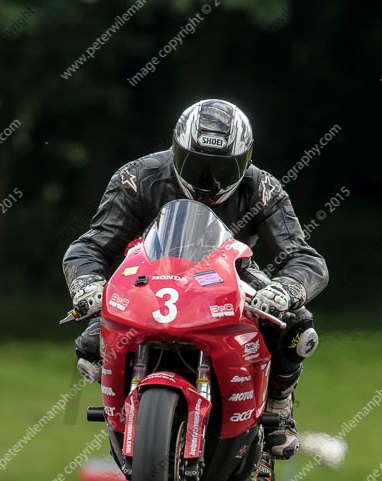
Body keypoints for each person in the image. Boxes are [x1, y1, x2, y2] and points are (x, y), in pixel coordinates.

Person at [63, 99, 328, 459]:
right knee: (91, 344)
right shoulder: (137, 178)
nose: (209, 181)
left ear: (245, 161)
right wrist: (88, 286)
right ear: (176, 151)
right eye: (197, 165)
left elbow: (304, 257)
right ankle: (125, 415)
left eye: (223, 168)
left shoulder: (263, 188)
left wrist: (285, 289)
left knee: (295, 325)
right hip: (147, 281)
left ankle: (279, 409)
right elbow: (90, 246)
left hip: (230, 278)